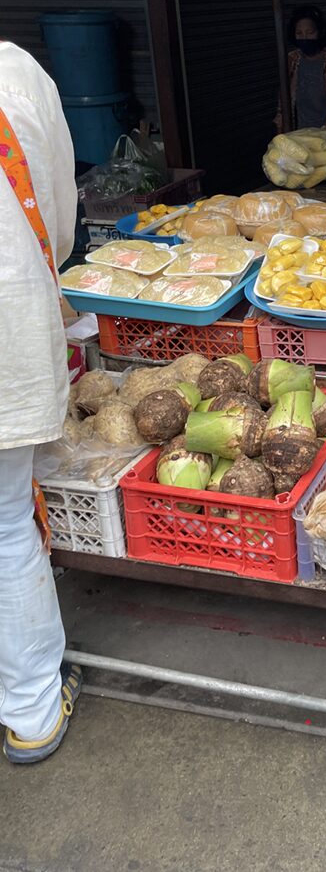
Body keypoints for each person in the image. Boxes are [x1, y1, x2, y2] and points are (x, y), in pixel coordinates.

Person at [0, 40, 82, 764]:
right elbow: (55, 220)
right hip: (6, 332)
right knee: (2, 529)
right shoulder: (14, 74)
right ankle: (30, 709)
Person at [286, 5, 326, 128]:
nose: (304, 38)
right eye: (299, 33)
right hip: (300, 132)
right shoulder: (292, 59)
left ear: (320, 32)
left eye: (310, 33)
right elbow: (283, 102)